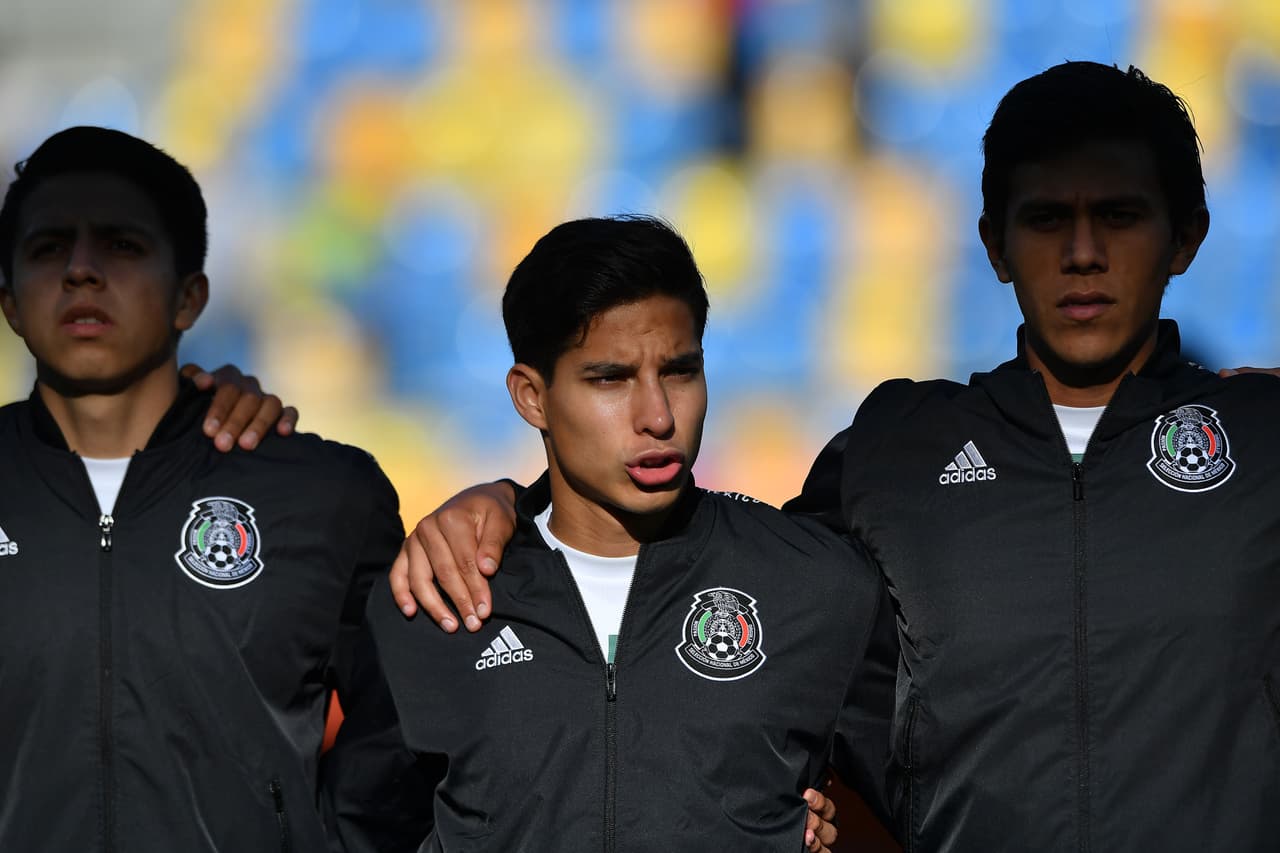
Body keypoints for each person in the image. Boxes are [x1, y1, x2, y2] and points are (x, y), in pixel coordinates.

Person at [390, 62, 1280, 850]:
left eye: (1119, 216)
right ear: (994, 244)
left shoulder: (1265, 440)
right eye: (1047, 219)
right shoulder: (898, 448)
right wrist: (511, 498)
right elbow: (742, 605)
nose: (1083, 254)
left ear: (1188, 236)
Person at [322, 216, 894, 852]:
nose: (657, 416)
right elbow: (365, 829)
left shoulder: (817, 584)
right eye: (610, 379)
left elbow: (937, 799)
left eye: (679, 371)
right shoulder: (434, 600)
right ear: (531, 397)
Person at [0, 126, 400, 851]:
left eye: (122, 245)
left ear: (190, 297)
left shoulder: (322, 494)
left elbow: (404, 735)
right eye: (48, 247)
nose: (81, 271)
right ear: (10, 305)